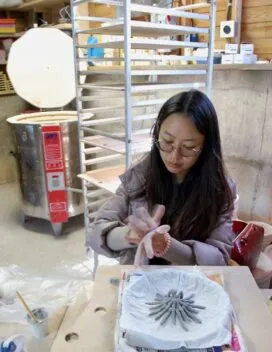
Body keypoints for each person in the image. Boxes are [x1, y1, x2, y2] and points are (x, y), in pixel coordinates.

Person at [87, 90, 237, 266]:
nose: (174, 157)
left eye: (189, 147)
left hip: (190, 286)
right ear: (156, 134)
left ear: (206, 147)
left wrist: (167, 245)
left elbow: (219, 259)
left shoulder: (219, 190)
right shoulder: (140, 175)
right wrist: (131, 235)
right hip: (140, 282)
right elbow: (95, 234)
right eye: (167, 142)